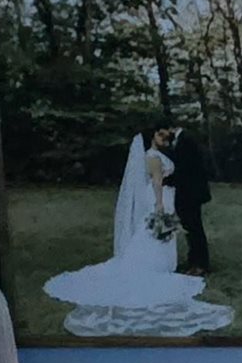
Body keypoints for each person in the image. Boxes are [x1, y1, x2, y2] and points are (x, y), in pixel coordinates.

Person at [42, 127, 231, 338]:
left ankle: (177, 262)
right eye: (160, 134)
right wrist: (159, 204)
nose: (165, 137)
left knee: (166, 232)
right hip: (161, 198)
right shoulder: (153, 156)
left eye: (165, 134)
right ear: (152, 137)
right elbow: (157, 181)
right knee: (156, 233)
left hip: (169, 196)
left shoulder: (162, 152)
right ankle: (156, 264)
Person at [165, 125, 214, 274]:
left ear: (172, 128)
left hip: (191, 192)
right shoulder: (182, 140)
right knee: (190, 227)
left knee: (194, 228)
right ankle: (194, 260)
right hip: (187, 191)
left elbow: (185, 169)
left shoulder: (186, 141)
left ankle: (201, 263)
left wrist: (165, 180)